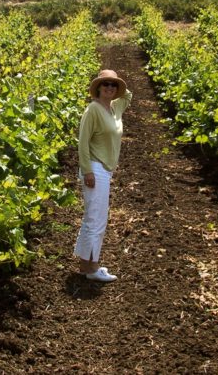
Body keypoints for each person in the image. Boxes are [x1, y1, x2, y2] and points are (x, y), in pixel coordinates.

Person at [74, 69, 132, 282]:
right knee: (97, 220)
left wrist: (120, 86)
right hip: (95, 170)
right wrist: (87, 170)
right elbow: (82, 142)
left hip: (104, 169)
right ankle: (92, 268)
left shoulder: (115, 108)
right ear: (97, 87)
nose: (110, 87)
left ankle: (85, 265)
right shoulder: (93, 109)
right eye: (105, 83)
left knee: (93, 217)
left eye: (113, 85)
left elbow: (129, 95)